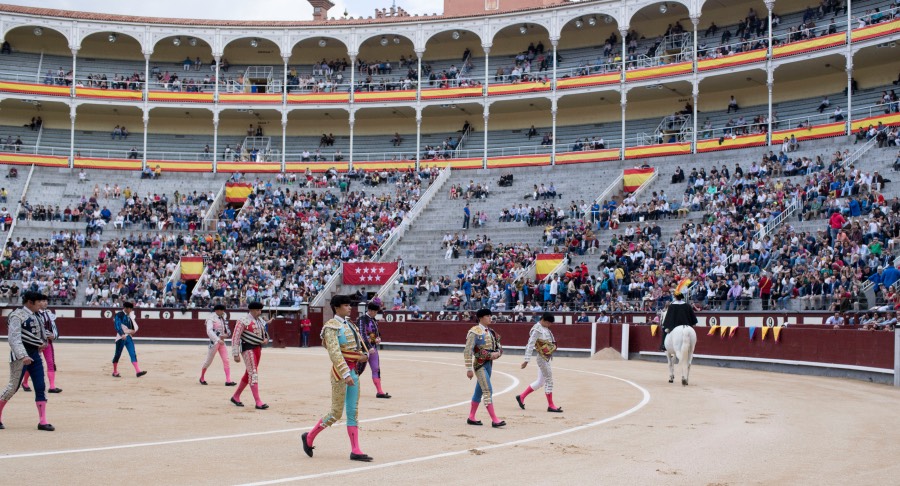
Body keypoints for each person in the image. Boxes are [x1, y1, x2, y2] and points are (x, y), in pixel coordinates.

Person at [302, 295, 373, 462]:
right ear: (337, 307)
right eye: (346, 305)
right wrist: (346, 373)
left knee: (352, 412)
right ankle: (309, 437)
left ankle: (355, 449)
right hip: (340, 374)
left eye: (350, 305)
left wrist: (360, 356)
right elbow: (334, 353)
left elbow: (354, 348)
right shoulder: (331, 327)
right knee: (335, 412)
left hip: (353, 372)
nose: (350, 308)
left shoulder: (349, 325)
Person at [0, 291, 55, 431]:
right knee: (13, 387)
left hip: (35, 355)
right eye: (38, 303)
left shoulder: (36, 315)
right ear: (30, 302)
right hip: (20, 357)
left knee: (40, 386)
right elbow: (14, 338)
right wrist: (23, 355)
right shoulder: (16, 315)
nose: (41, 305)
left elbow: (41, 333)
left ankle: (43, 421)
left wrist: (43, 341)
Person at [464, 308, 506, 427]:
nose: (490, 318)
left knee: (479, 391)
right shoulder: (474, 331)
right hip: (480, 365)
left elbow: (499, 347)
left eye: (490, 316)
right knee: (487, 390)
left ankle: (471, 417)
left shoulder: (491, 332)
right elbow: (468, 350)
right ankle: (494, 419)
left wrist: (498, 353)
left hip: (489, 364)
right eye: (488, 316)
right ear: (481, 318)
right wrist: (468, 369)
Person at [515, 312, 562, 413]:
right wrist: (526, 360)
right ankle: (551, 405)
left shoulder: (544, 328)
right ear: (543, 320)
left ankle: (521, 396)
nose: (550, 325)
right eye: (549, 323)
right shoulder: (536, 329)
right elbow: (530, 344)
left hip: (546, 357)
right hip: (542, 358)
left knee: (540, 382)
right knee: (549, 380)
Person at [230, 302, 271, 409]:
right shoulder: (243, 321)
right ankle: (258, 401)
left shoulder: (260, 321)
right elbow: (235, 337)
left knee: (249, 373)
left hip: (258, 348)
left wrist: (265, 339)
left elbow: (264, 334)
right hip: (247, 348)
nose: (259, 312)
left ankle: (236, 396)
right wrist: (235, 354)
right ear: (252, 310)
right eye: (257, 310)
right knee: (253, 373)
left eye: (260, 310)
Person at [20, 299, 61, 394]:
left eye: (46, 301)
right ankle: (25, 382)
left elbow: (53, 327)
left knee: (50, 363)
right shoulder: (33, 314)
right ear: (38, 302)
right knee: (32, 362)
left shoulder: (48, 314)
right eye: (42, 301)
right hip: (36, 344)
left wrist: (54, 336)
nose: (45, 303)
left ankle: (52, 386)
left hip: (47, 343)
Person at [357, 302, 391, 399]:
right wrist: (369, 346)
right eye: (375, 311)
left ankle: (379, 392)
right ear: (370, 311)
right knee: (358, 370)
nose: (376, 313)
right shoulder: (362, 319)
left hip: (373, 349)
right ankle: (346, 388)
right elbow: (361, 335)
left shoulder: (373, 319)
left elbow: (372, 333)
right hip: (363, 349)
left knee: (376, 369)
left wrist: (377, 338)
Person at [200, 304, 235, 386]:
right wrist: (218, 339)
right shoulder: (210, 318)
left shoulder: (223, 317)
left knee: (226, 360)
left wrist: (227, 335)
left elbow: (227, 329)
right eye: (221, 310)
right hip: (214, 343)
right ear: (217, 311)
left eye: (223, 310)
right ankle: (202, 378)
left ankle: (228, 380)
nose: (223, 312)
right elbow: (209, 331)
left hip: (222, 342)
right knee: (208, 361)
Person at [112, 302, 148, 378]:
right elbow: (117, 326)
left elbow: (132, 327)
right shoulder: (119, 315)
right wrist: (122, 334)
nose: (131, 310)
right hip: (120, 337)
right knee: (117, 354)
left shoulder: (130, 316)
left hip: (128, 337)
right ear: (126, 308)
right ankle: (115, 371)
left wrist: (132, 331)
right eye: (130, 309)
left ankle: (138, 371)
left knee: (132, 353)